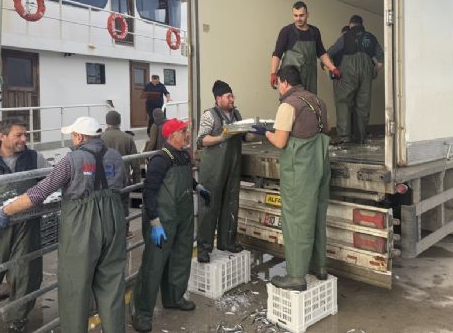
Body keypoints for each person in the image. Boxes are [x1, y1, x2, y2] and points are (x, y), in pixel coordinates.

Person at [0, 117, 127, 333]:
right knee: (112, 284)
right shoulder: (115, 156)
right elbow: (121, 184)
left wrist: (7, 210)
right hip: (114, 219)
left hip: (82, 225)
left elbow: (38, 193)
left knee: (75, 285)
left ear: (79, 136)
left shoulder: (72, 159)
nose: (72, 139)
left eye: (73, 135)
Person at [251, 65, 331, 291]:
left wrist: (265, 132)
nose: (278, 88)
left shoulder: (288, 104)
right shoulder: (319, 102)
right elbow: (325, 130)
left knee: (296, 220)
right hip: (321, 164)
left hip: (300, 169)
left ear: (285, 82)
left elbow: (280, 141)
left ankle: (296, 276)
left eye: (278, 84)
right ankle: (320, 267)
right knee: (317, 215)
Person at [131, 118, 211, 333]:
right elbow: (149, 192)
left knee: (180, 259)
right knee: (153, 266)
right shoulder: (160, 159)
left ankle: (174, 298)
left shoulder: (183, 155)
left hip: (183, 217)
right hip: (163, 221)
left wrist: (198, 187)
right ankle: (142, 313)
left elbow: (186, 179)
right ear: (172, 135)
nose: (187, 134)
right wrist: (154, 222)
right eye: (183, 131)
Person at [0, 118, 50, 333]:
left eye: (26, 135)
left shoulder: (35, 158)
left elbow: (49, 183)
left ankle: (17, 320)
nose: (24, 139)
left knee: (26, 274)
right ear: (2, 136)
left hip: (27, 224)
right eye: (18, 135)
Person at [196, 80, 248, 263]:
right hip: (213, 169)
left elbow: (245, 137)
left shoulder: (237, 114)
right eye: (228, 96)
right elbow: (201, 140)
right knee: (208, 207)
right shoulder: (209, 115)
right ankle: (204, 248)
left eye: (232, 96)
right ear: (218, 98)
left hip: (232, 167)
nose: (232, 99)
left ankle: (227, 242)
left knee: (231, 203)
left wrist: (255, 129)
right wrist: (221, 137)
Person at [327, 15, 384, 144]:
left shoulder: (345, 36)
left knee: (344, 102)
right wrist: (373, 71)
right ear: (362, 25)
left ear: (351, 24)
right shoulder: (371, 37)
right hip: (366, 69)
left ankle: (344, 137)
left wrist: (333, 69)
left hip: (348, 69)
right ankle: (360, 137)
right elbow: (381, 60)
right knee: (363, 104)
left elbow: (330, 53)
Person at [270, 1, 340, 94]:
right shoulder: (286, 31)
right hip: (291, 78)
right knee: (292, 100)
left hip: (310, 77)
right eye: (295, 15)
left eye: (301, 15)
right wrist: (273, 73)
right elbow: (277, 53)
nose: (298, 18)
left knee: (310, 100)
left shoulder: (315, 31)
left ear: (307, 14)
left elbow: (321, 53)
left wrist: (333, 68)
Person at [101, 110, 141, 238]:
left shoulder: (100, 138)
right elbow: (135, 162)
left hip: (104, 180)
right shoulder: (127, 138)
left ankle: (107, 232)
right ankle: (125, 231)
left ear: (106, 122)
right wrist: (137, 181)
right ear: (119, 122)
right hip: (123, 179)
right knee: (123, 206)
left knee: (105, 206)